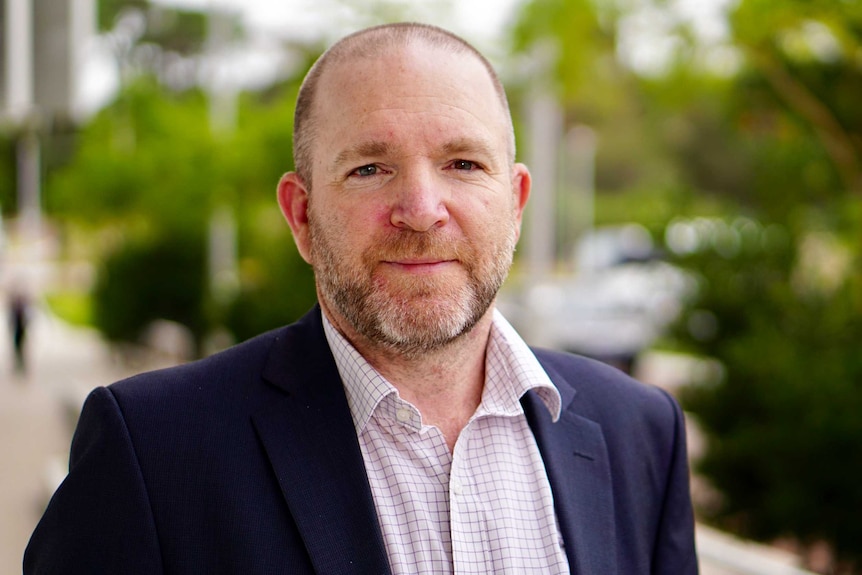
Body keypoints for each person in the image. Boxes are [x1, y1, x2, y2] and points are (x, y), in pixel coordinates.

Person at [24, 22, 698, 574]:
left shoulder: (639, 434)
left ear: (516, 203)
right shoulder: (152, 451)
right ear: (302, 216)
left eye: (463, 163)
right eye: (371, 168)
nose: (421, 209)